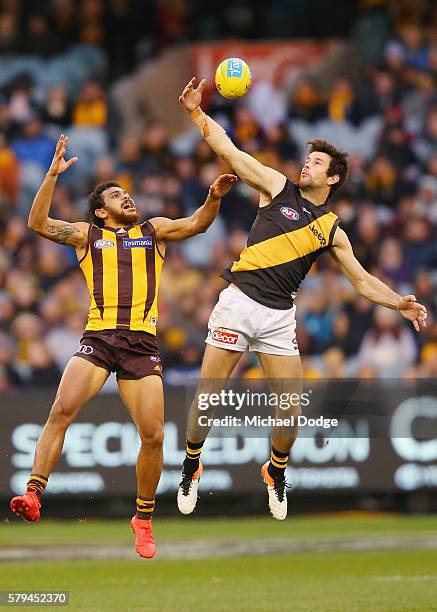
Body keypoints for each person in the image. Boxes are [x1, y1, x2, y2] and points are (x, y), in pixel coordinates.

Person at [177, 78, 428, 521]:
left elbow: (363, 281)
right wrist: (198, 115)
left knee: (291, 408)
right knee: (208, 398)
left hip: (278, 318)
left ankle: (275, 471)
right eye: (306, 159)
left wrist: (398, 303)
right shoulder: (278, 187)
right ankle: (192, 464)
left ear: (332, 178)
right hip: (238, 302)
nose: (306, 166)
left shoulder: (332, 229)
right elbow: (231, 152)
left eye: (316, 163)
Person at [9, 134, 237, 557]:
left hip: (140, 344)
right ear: (101, 210)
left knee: (152, 436)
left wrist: (213, 197)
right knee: (61, 411)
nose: (127, 198)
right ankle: (34, 492)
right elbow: (38, 224)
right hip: (98, 338)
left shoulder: (155, 231)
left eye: (128, 193)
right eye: (117, 195)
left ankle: (143, 518)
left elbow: (197, 224)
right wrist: (52, 176)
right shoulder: (86, 236)